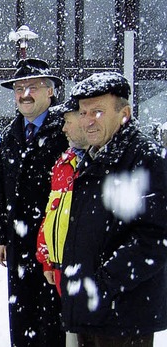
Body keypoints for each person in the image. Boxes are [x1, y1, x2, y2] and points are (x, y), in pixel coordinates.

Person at [61, 71, 167, 346]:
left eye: (97, 111)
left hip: (124, 315)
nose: (88, 121)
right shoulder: (94, 157)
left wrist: (103, 283)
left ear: (125, 114)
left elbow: (155, 238)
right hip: (93, 311)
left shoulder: (144, 158)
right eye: (83, 113)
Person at [0, 58, 68, 347]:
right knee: (21, 316)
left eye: (32, 87)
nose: (24, 94)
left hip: (54, 242)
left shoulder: (65, 131)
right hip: (18, 243)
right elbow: (0, 191)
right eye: (19, 88)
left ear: (50, 92)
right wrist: (0, 236)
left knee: (52, 319)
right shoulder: (10, 135)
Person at [35, 97, 89, 296]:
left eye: (68, 122)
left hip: (88, 271)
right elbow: (51, 214)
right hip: (60, 268)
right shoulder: (64, 163)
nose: (64, 129)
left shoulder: (101, 164)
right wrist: (46, 258)